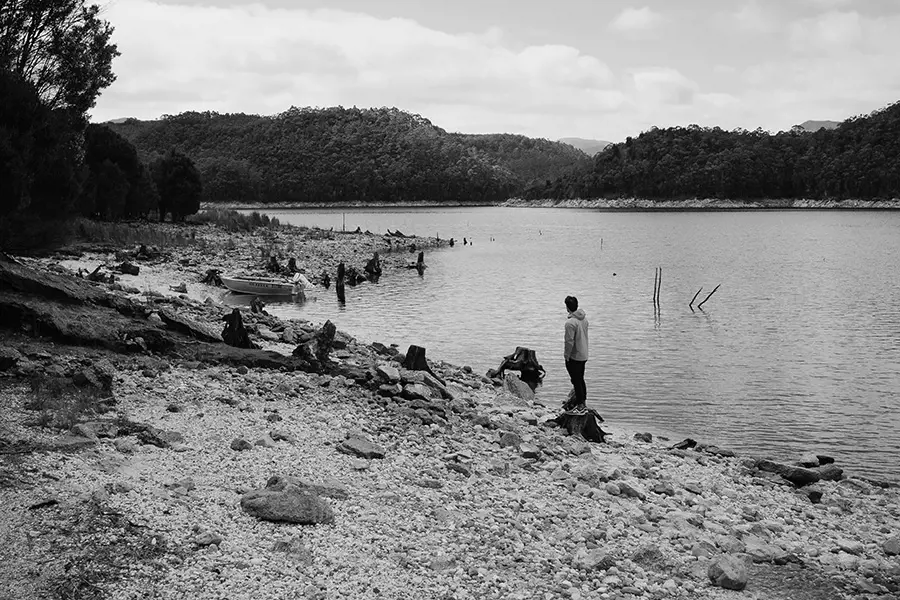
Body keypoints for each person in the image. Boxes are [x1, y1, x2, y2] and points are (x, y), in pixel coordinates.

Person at [563, 295, 589, 411]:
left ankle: (580, 404)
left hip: (575, 355)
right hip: (584, 353)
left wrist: (567, 355)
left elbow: (569, 341)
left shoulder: (570, 323)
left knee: (576, 380)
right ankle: (583, 401)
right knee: (580, 379)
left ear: (567, 307)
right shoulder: (584, 319)